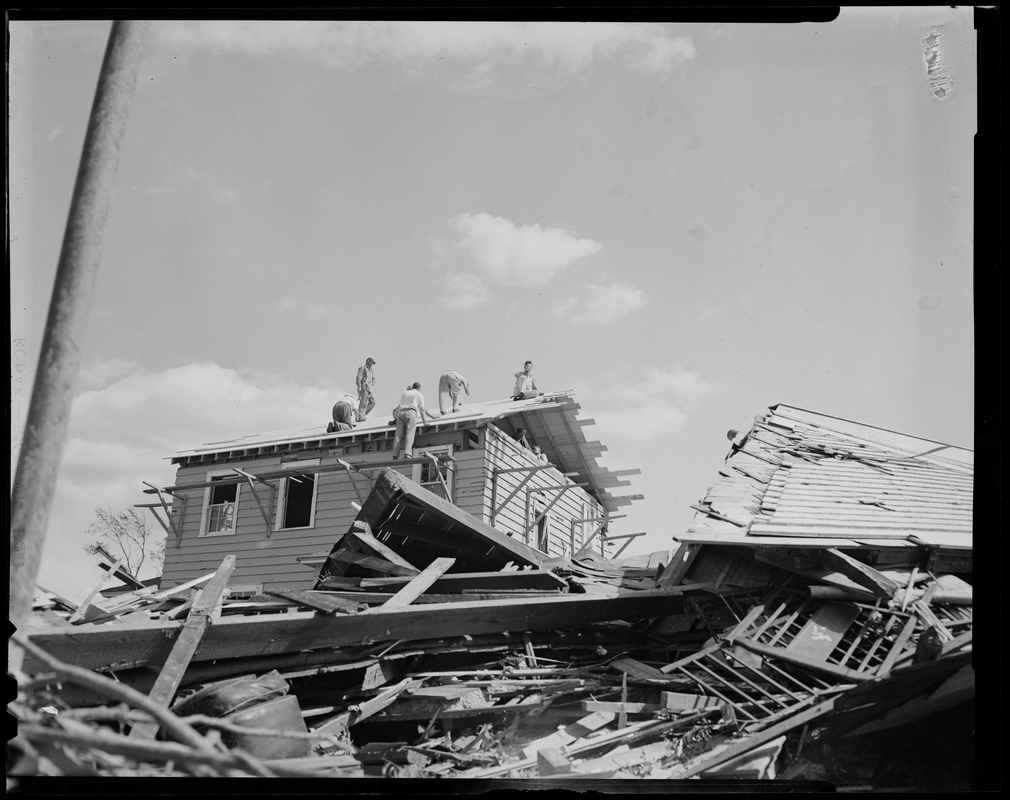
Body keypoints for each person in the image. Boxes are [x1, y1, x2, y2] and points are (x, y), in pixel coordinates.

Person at [391, 382, 430, 460]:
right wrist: (424, 422)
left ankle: (395, 454)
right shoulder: (419, 395)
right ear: (419, 388)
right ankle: (407, 454)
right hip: (411, 412)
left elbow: (400, 405)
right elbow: (422, 409)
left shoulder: (404, 393)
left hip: (401, 413)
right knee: (409, 433)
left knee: (398, 435)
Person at [355, 357, 377, 421]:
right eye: (371, 362)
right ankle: (360, 416)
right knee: (363, 402)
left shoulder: (371, 370)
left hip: (369, 388)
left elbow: (373, 379)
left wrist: (371, 383)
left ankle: (361, 414)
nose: (372, 364)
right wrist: (359, 386)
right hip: (363, 386)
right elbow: (359, 376)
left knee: (373, 402)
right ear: (368, 361)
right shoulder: (362, 368)